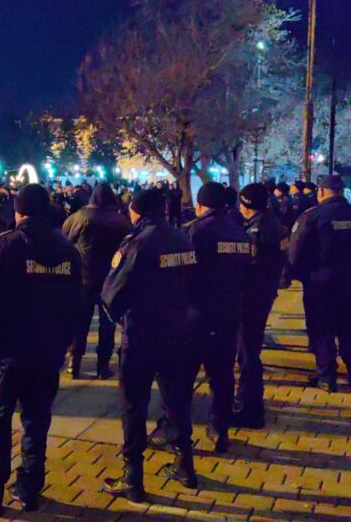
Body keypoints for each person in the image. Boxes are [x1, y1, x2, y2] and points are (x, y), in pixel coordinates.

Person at [0, 184, 82, 515]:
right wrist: (64, 343)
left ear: (19, 212)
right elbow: (76, 305)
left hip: (9, 352)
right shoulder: (68, 251)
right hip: (46, 352)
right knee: (37, 422)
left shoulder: (6, 245)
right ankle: (29, 489)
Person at [99, 188, 198, 501]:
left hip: (143, 333)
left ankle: (133, 476)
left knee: (134, 404)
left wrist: (119, 315)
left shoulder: (137, 243)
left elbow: (112, 294)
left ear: (137, 211)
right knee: (176, 399)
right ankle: (185, 464)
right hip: (178, 331)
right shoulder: (183, 238)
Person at [152, 182, 251, 456]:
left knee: (181, 377)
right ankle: (219, 428)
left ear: (200, 205)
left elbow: (179, 273)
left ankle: (174, 430)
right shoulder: (240, 233)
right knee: (222, 375)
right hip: (228, 314)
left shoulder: (193, 232)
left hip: (195, 315)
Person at [289, 174, 351, 392]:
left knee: (322, 330)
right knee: (350, 328)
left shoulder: (312, 216)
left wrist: (301, 275)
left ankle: (327, 377)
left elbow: (295, 253)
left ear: (321, 191)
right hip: (349, 283)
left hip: (319, 284)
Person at [61, 182, 131, 380]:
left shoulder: (77, 217)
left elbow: (65, 242)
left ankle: (74, 362)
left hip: (82, 278)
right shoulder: (120, 220)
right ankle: (103, 366)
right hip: (109, 280)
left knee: (79, 322)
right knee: (107, 325)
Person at [232, 183, 287, 429]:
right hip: (264, 292)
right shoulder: (274, 224)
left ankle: (249, 408)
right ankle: (248, 402)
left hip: (252, 297)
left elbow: (249, 266)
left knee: (247, 352)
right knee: (249, 349)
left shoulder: (256, 230)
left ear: (246, 204)